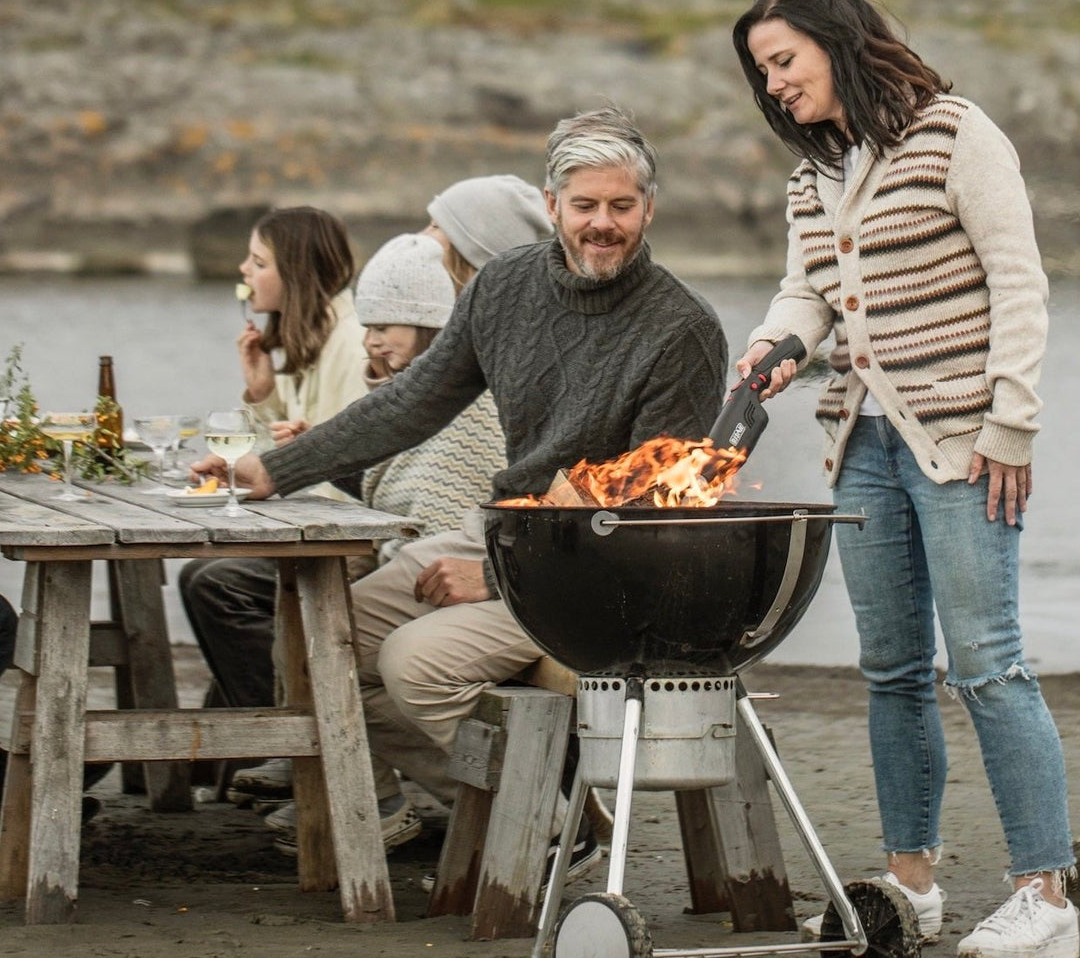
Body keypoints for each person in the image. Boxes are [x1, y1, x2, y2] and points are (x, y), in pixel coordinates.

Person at [194, 105, 729, 866]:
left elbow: (648, 507)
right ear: (553, 208)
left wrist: (499, 575)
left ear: (649, 208)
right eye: (584, 206)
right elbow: (411, 403)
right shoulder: (506, 286)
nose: (602, 224)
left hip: (610, 579)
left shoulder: (682, 329)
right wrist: (273, 468)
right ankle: (510, 802)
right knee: (316, 643)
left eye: (621, 206)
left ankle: (549, 820)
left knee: (414, 665)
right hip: (507, 538)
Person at [730, 0, 1078, 958]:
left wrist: (1011, 426)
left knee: (989, 666)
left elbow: (1019, 282)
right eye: (762, 73)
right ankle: (913, 885)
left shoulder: (958, 134)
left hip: (964, 445)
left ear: (838, 42)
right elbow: (810, 296)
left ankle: (1046, 897)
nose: (775, 86)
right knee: (888, 671)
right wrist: (773, 346)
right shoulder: (814, 176)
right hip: (862, 447)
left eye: (783, 61)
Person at [234, 180, 552, 822]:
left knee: (349, 639)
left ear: (475, 261)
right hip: (479, 544)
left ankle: (515, 807)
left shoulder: (504, 363)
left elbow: (468, 488)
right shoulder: (471, 355)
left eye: (440, 240)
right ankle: (482, 803)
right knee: (319, 631)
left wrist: (493, 573)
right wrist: (284, 457)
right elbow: (398, 455)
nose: (423, 248)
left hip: (524, 565)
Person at [178, 206, 366, 711]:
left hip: (351, 544)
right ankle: (260, 732)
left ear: (296, 275)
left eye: (258, 261)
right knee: (206, 573)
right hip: (312, 526)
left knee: (215, 583)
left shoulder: (352, 344)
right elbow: (279, 450)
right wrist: (262, 389)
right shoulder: (309, 339)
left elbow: (353, 465)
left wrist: (288, 458)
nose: (244, 270)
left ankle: (287, 732)